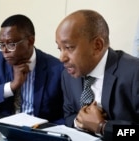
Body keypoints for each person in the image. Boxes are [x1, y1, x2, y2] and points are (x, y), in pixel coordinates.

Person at [56, 9, 139, 140]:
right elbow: (69, 116)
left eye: (69, 47)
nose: (62, 58)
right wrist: (80, 122)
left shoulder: (134, 73)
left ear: (97, 46)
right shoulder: (68, 76)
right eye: (60, 49)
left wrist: (102, 127)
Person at [0, 14, 64, 124]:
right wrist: (12, 86)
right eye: (1, 44)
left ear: (30, 41)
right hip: (5, 131)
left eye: (11, 44)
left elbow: (65, 115)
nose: (5, 51)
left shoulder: (56, 68)